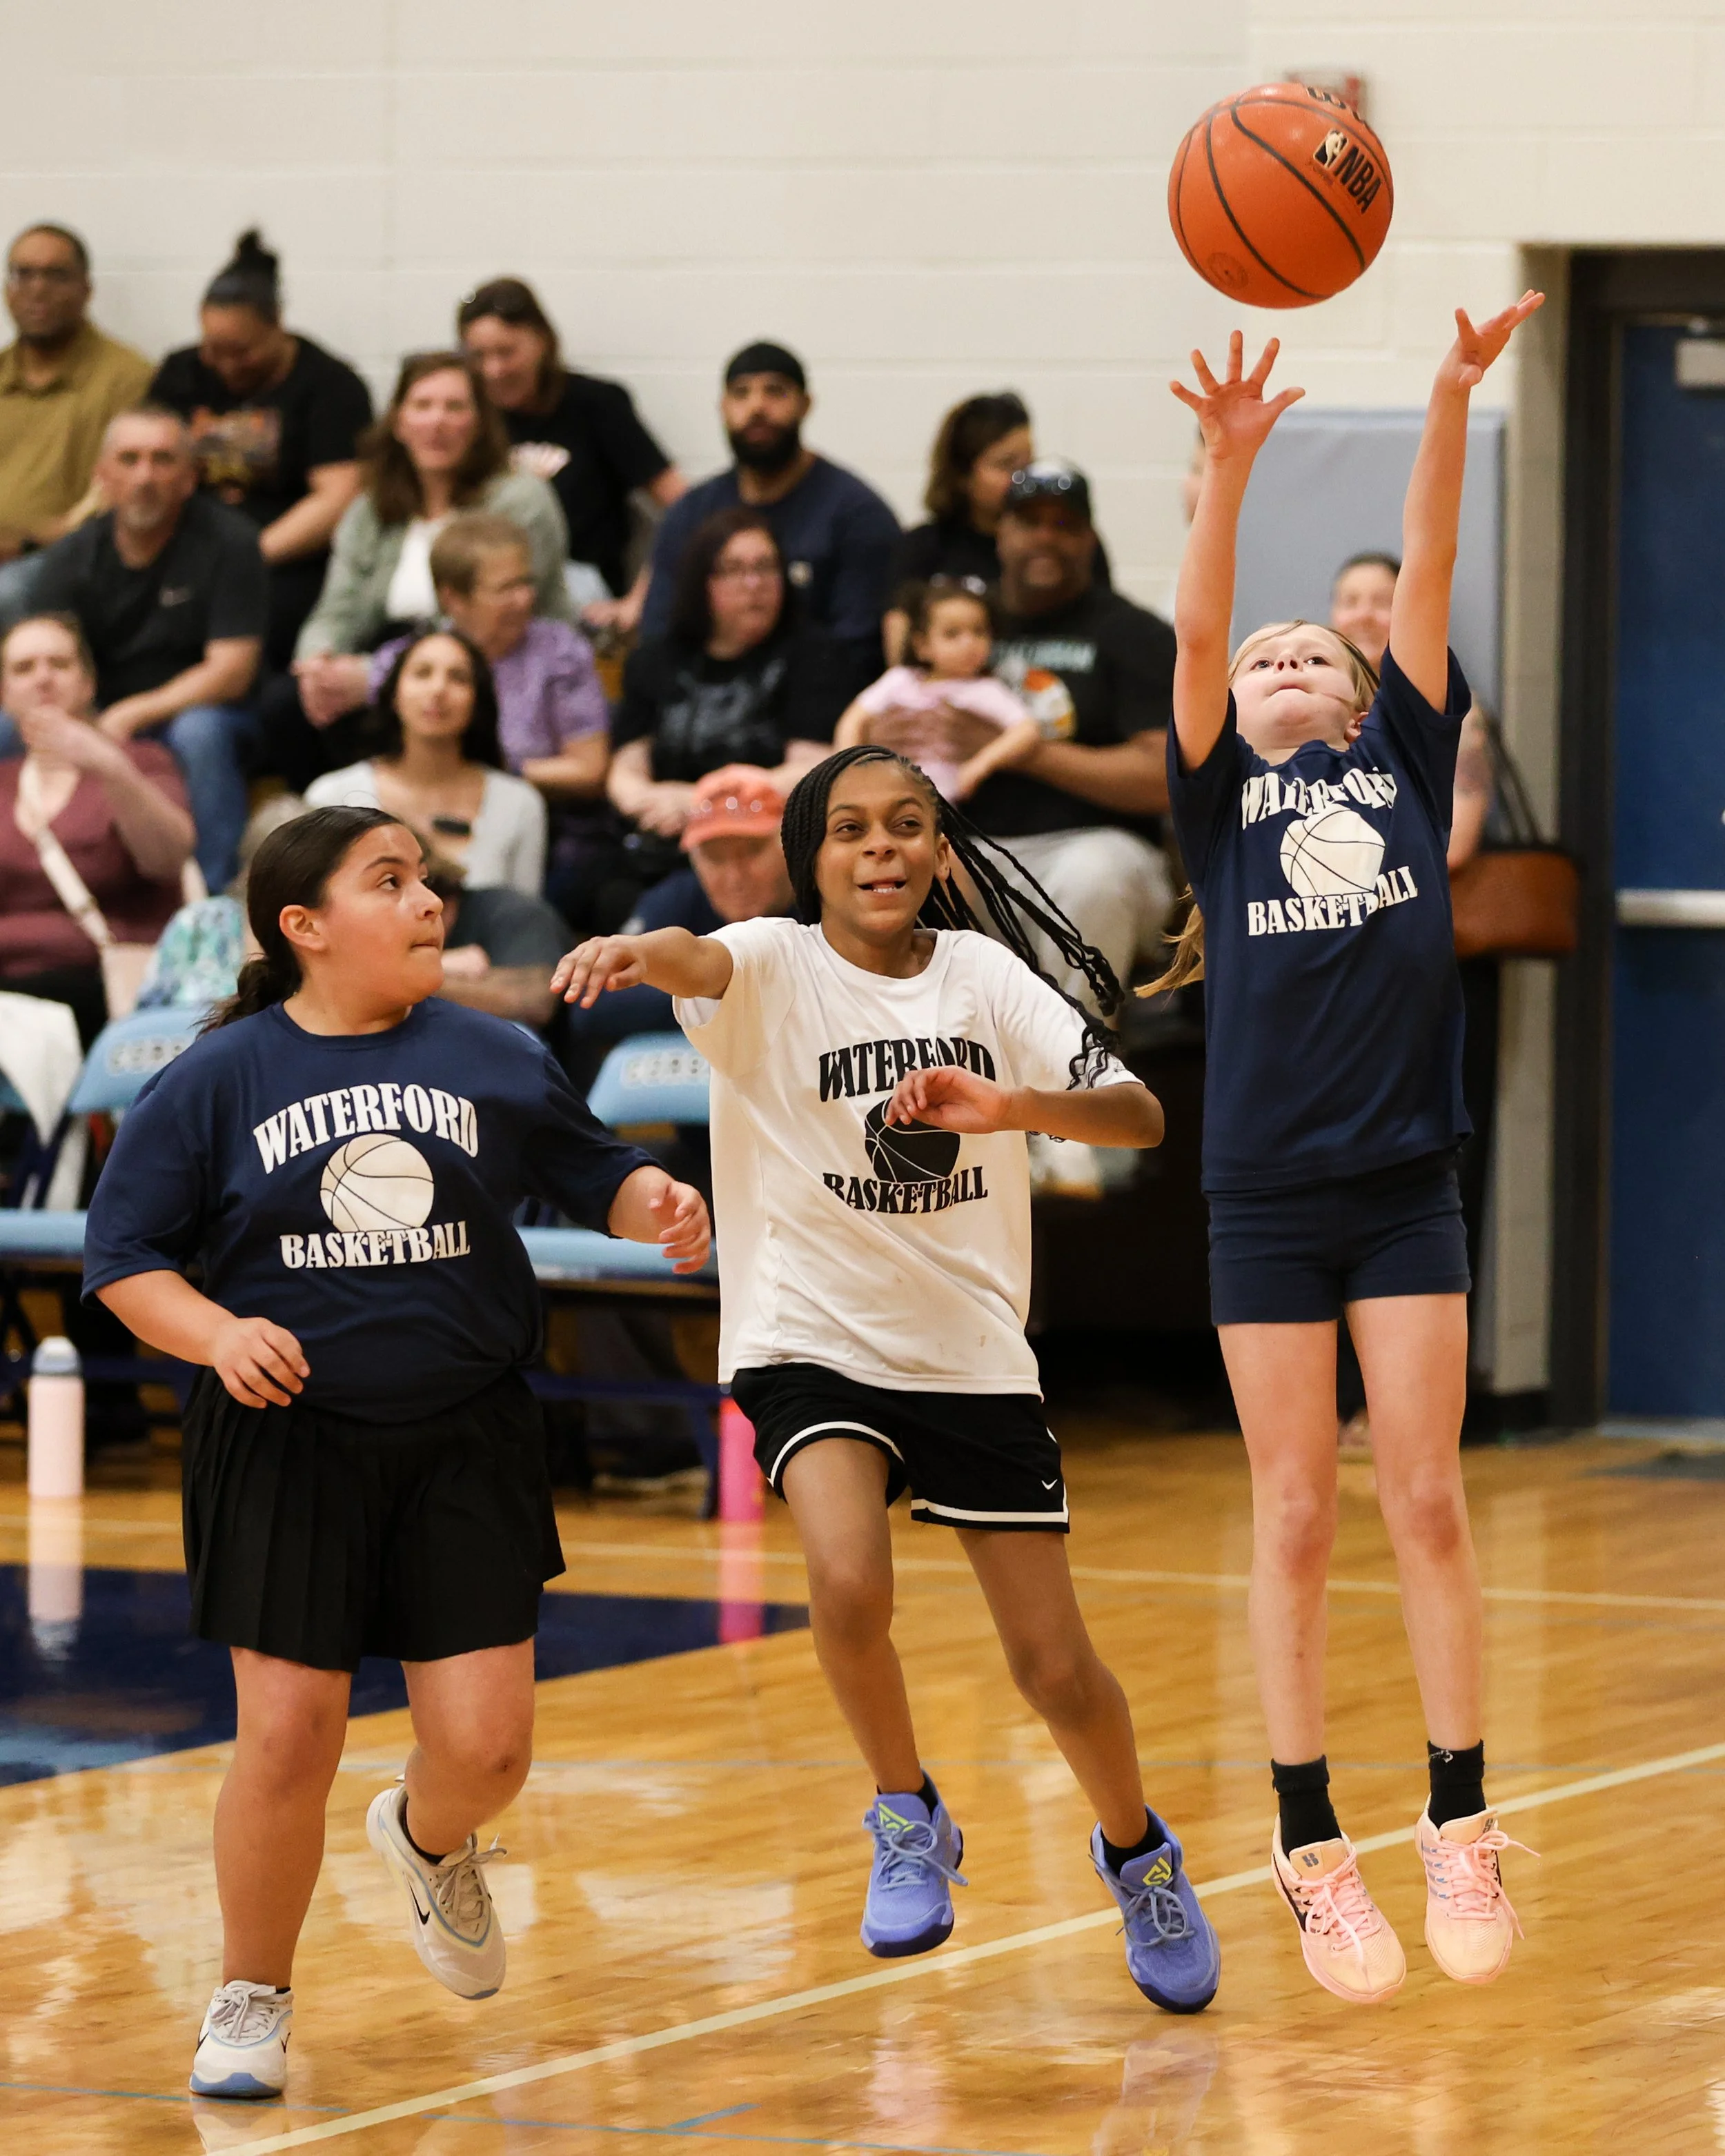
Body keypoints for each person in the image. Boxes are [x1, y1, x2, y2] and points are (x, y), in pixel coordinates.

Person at [555, 744, 1221, 2013]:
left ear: (940, 851)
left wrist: (1011, 1103)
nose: (881, 849)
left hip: (969, 1349)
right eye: (852, 829)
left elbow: (1137, 1116)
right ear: (812, 859)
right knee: (848, 1582)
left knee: (1054, 1669)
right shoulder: (767, 963)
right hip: (807, 1333)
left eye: (907, 826)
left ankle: (1138, 1849)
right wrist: (645, 949)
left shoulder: (983, 974)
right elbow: (701, 955)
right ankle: (905, 1811)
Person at [83, 804, 709, 2100]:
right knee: (290, 1734)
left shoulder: (495, 1053)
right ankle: (251, 1993)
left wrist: (663, 1206)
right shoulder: (216, 1078)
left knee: (487, 1753)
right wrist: (215, 1335)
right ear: (304, 928)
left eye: (429, 878)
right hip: (286, 1437)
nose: (430, 902)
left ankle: (429, 1842)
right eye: (392, 882)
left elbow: (597, 1176)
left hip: (466, 1431)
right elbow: (124, 1261)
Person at [1158, 299, 1544, 2006]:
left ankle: (1457, 1813)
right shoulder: (1218, 801)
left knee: (1428, 1494)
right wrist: (1225, 473)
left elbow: (1437, 559)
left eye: (1317, 645)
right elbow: (1189, 627)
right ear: (1234, 710)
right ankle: (1310, 1846)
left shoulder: (1402, 758)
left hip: (1403, 1182)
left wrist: (1451, 390)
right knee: (1297, 1511)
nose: (1290, 657)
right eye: (1267, 656)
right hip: (1261, 1194)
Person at [1328, 548, 1499, 1447]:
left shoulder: (1441, 726)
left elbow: (1455, 842)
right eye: (1348, 598)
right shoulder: (1291, 727)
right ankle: (1322, 1396)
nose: (1362, 612)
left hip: (1413, 984)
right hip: (1313, 999)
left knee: (1415, 1193)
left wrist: (1348, 878)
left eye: (1380, 597)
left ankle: (1398, 1405)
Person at [280, 352, 574, 784]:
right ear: (398, 422)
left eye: (454, 407)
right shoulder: (372, 506)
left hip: (494, 661)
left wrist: (372, 676)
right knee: (289, 708)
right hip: (389, 658)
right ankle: (335, 838)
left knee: (391, 714)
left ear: (479, 423)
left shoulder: (520, 500)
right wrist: (317, 663)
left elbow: (488, 620)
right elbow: (338, 605)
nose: (437, 422)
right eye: (422, 406)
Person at [963, 460, 1176, 1013]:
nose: (1045, 538)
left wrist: (1027, 752)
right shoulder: (962, 624)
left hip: (1099, 848)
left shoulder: (1135, 633)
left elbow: (1162, 778)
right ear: (1001, 533)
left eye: (1064, 525)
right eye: (1029, 522)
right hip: (972, 847)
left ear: (1089, 538)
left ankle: (1074, 1069)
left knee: (1095, 876)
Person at [28, 406, 267, 890]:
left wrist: (133, 713)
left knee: (199, 733)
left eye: (162, 460)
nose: (145, 476)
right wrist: (80, 719)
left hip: (209, 708)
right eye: (130, 459)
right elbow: (45, 654)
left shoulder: (232, 542)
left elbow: (232, 671)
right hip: (96, 707)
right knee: (15, 727)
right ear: (103, 477)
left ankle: (211, 902)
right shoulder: (71, 556)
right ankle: (36, 892)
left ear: (189, 477)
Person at [151, 230, 373, 670]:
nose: (226, 364)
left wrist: (246, 557)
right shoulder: (182, 372)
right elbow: (147, 458)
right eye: (214, 350)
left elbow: (338, 496)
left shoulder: (329, 385)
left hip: (284, 563)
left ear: (278, 326)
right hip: (183, 550)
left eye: (242, 351)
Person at [639, 342, 898, 688]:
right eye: (741, 394)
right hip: (702, 699)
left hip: (815, 706)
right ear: (723, 408)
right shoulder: (691, 513)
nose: (757, 407)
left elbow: (859, 652)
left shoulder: (857, 514)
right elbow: (659, 633)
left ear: (805, 405)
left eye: (775, 392)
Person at [0, 611, 193, 1045]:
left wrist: (110, 766)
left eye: (60, 664)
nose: (43, 678)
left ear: (88, 684)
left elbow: (166, 860)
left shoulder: (142, 762)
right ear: (4, 693)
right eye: (24, 668)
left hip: (103, 987)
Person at [609, 510, 845, 853]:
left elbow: (811, 768)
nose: (755, 584)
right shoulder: (656, 658)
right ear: (701, 581)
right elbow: (625, 770)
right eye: (734, 570)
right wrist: (650, 803)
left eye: (766, 567)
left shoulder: (813, 654)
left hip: (766, 839)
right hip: (664, 832)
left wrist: (700, 804)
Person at [457, 276, 684, 630]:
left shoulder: (595, 406)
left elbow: (682, 504)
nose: (493, 370)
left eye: (506, 352)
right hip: (481, 588)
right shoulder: (467, 414)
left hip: (575, 589)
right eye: (479, 356)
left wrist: (639, 601)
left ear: (542, 342)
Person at [564, 763, 794, 1051]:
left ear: (791, 846)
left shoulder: (829, 905)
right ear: (694, 859)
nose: (735, 877)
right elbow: (594, 1003)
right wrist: (722, 989)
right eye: (715, 858)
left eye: (752, 852)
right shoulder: (677, 898)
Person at [306, 628, 545, 897]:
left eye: (458, 678)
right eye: (422, 673)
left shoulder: (520, 804)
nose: (438, 689)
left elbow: (523, 918)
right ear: (394, 694)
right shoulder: (332, 797)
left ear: (478, 702)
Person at [883, 395, 1116, 662]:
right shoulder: (923, 548)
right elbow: (900, 655)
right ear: (963, 476)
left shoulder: (1065, 544)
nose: (1022, 477)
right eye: (1006, 465)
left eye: (1028, 463)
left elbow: (1103, 624)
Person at [0, 224, 152, 622]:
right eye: (23, 274)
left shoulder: (126, 379)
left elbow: (120, 498)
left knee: (7, 594)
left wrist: (24, 543)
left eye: (55, 275)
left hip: (64, 557)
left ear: (86, 289)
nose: (37, 289)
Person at [836, 578, 1041, 803]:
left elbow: (1027, 730)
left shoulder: (985, 690)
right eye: (952, 634)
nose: (969, 643)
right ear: (922, 646)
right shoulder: (901, 678)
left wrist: (980, 765)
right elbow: (853, 719)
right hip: (882, 790)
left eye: (979, 632)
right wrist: (850, 767)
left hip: (941, 802)